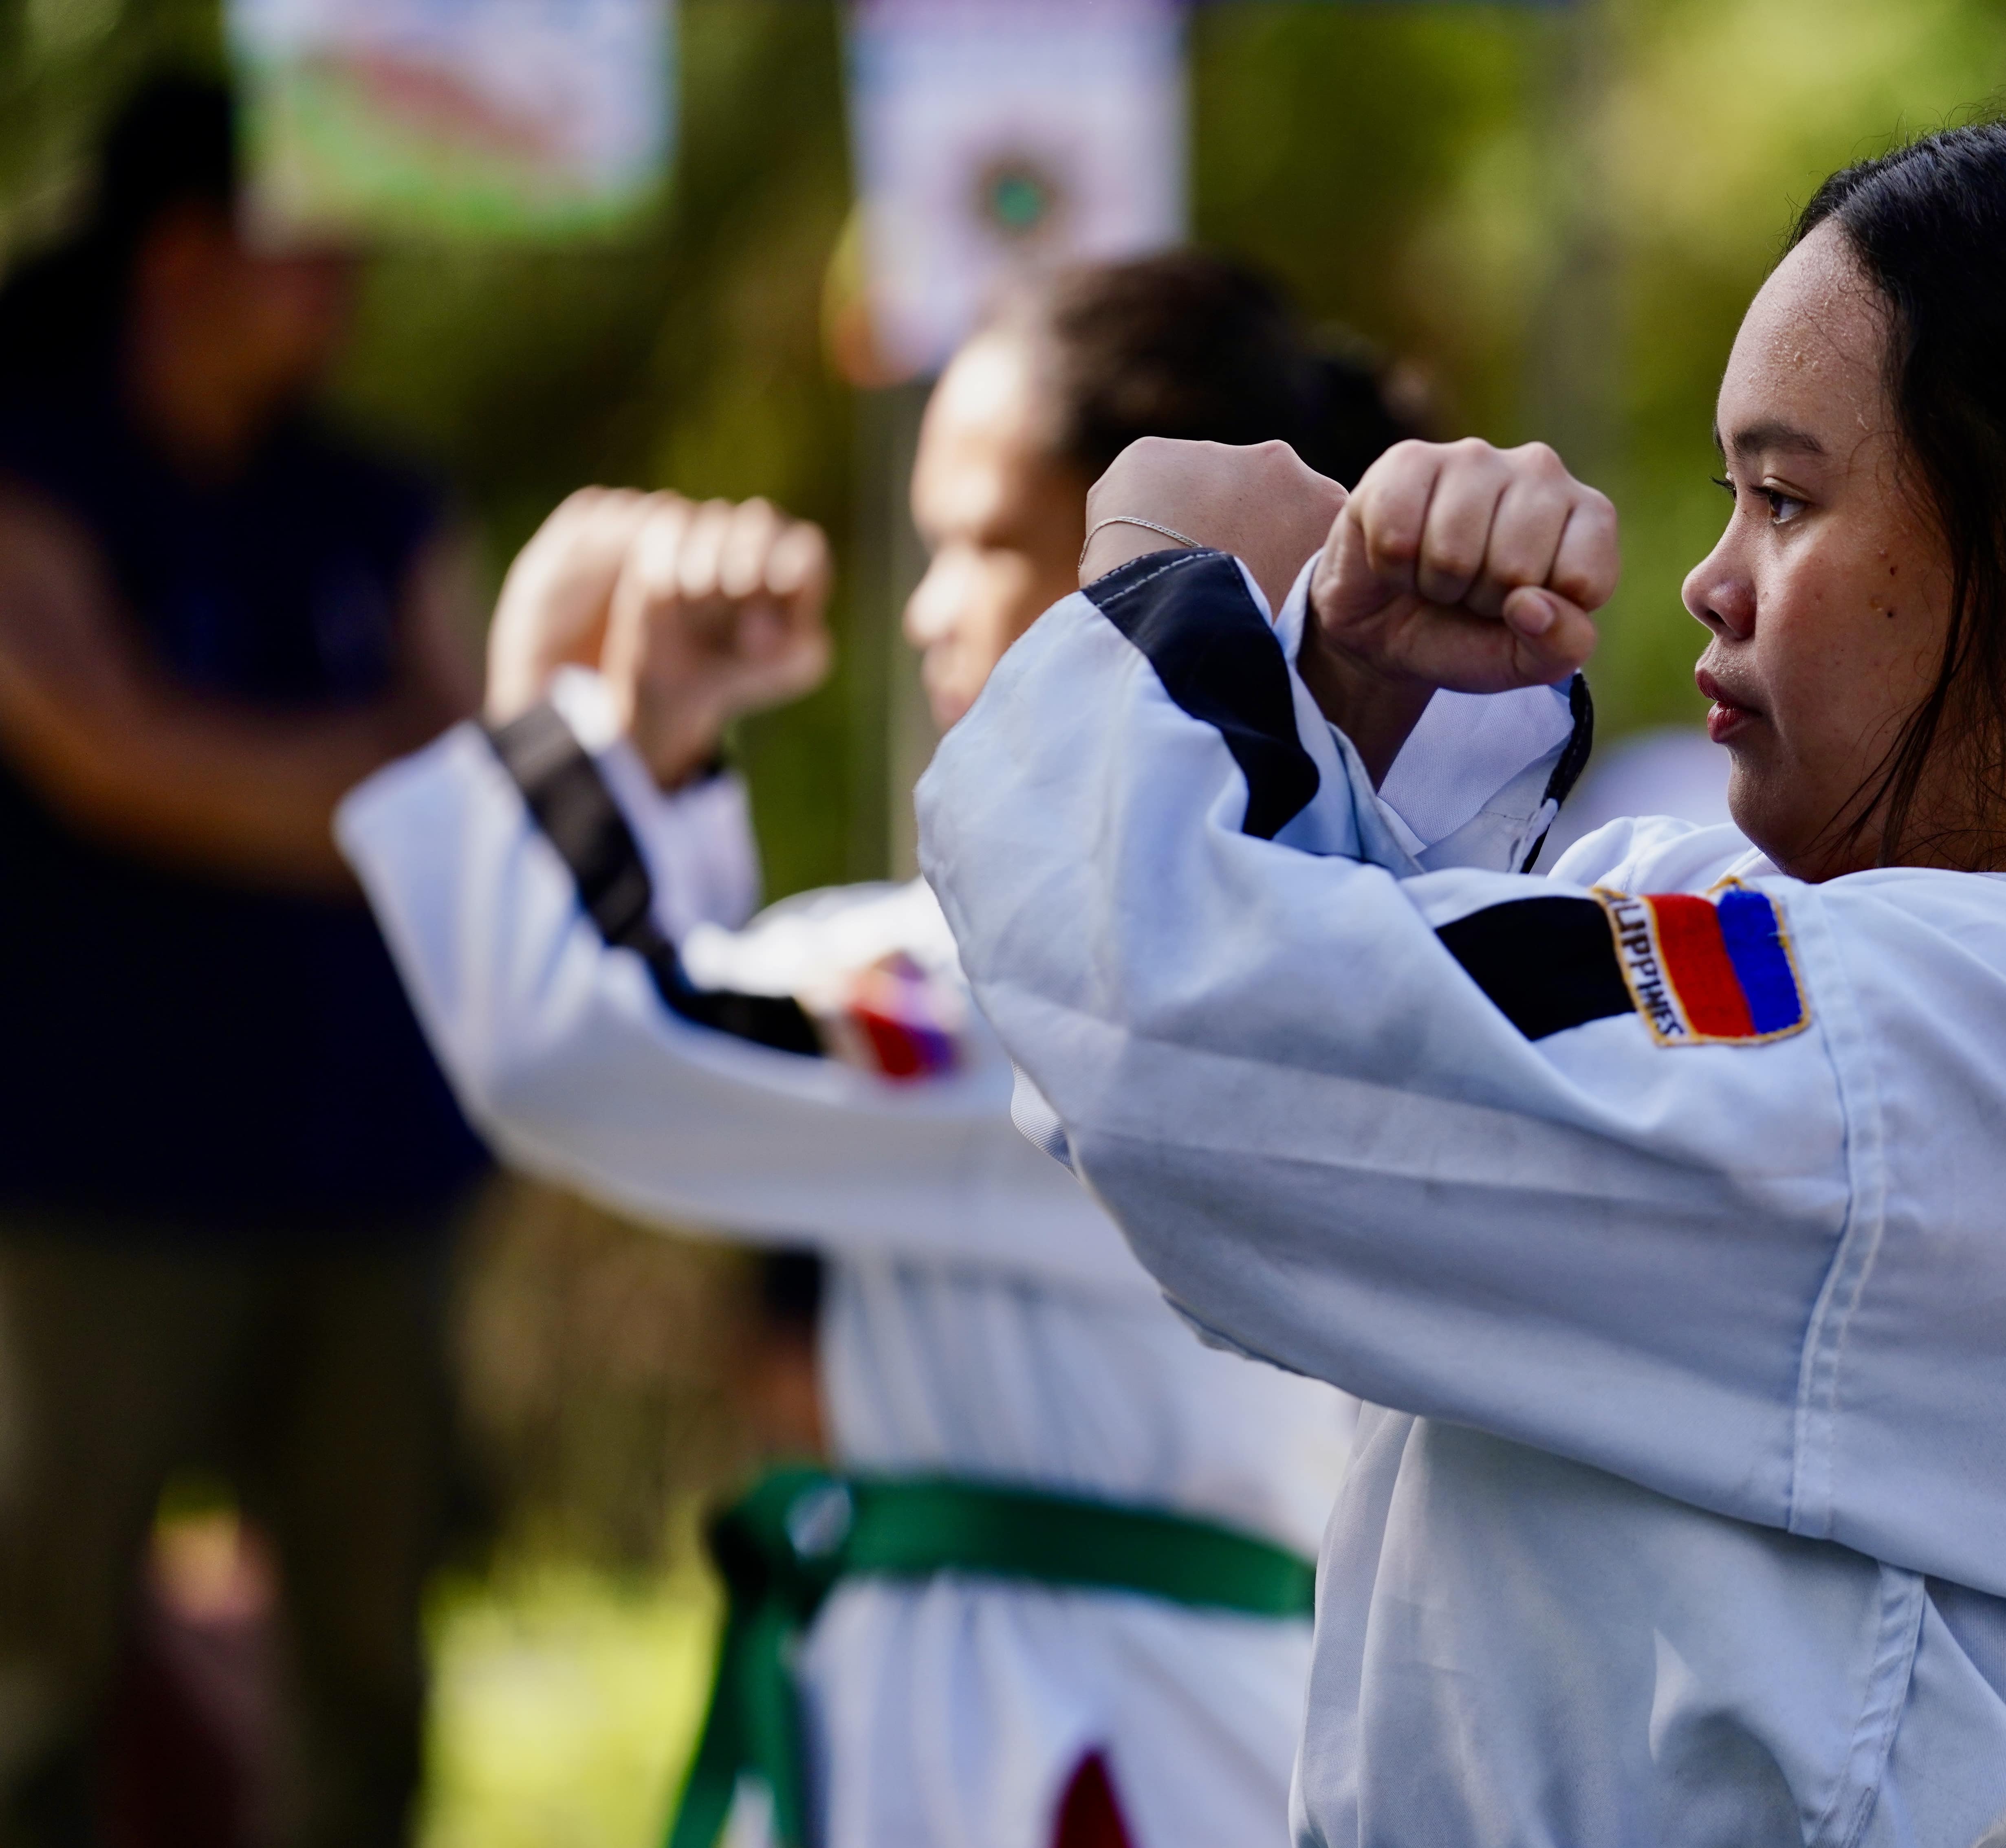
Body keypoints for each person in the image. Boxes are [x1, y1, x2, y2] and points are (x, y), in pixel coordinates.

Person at [906, 110, 2006, 1842]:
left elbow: (1201, 1069)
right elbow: (1384, 1131)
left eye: (1786, 499)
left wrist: (1158, 595)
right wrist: (1349, 704)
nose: (1708, 579)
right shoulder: (1954, 985)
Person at [336, 254, 1427, 1848]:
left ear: (1149, 553)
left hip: (1059, 1726)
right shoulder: (1262, 915)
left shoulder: (1094, 970)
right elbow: (739, 1082)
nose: (923, 606)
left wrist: (551, 703)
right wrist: (657, 744)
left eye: (979, 542)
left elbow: (599, 1054)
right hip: (1106, 1701)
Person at [0, 77, 487, 1848]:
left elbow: (479, 764)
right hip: (84, 1178)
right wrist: (362, 784)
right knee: (39, 1648)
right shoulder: (34, 466)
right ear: (189, 249)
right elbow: (94, 743)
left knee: (364, 1663)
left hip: (366, 1167)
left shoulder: (372, 495)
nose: (352, 278)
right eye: (319, 240)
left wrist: (213, 771)